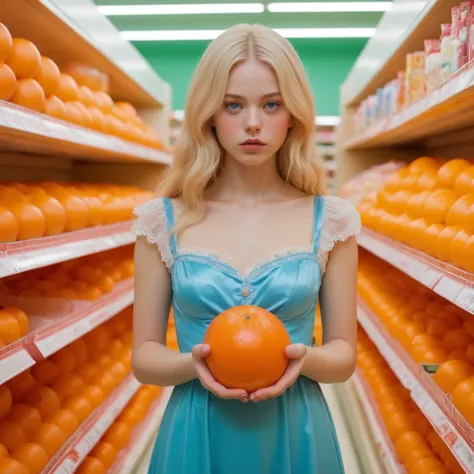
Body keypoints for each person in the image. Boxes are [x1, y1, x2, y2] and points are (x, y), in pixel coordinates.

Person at [132, 23, 360, 474]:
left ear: (293, 113)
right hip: (198, 427)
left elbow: (343, 357)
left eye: (271, 104)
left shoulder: (332, 219)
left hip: (296, 427)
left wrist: (303, 358)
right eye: (233, 105)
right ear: (208, 115)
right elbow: (144, 359)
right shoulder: (162, 221)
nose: (252, 122)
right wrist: (192, 365)